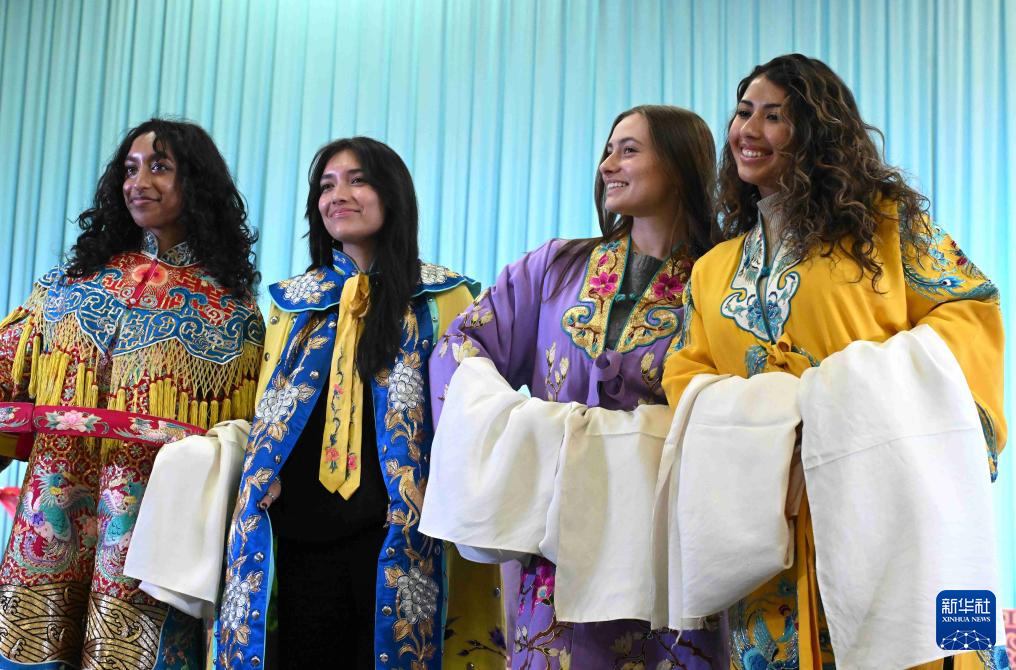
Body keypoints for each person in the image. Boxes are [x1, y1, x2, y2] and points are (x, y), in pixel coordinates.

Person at [662, 54, 1008, 670]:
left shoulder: (886, 226)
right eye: (743, 112)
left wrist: (838, 398)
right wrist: (771, 418)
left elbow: (967, 313)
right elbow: (688, 378)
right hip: (769, 527)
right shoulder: (712, 271)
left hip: (892, 509)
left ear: (817, 133)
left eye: (775, 116)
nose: (748, 130)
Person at [426, 105, 727, 668]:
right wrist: (524, 428)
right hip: (560, 545)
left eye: (629, 150)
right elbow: (460, 347)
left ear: (681, 164)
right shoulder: (556, 268)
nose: (608, 164)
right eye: (608, 151)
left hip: (667, 544)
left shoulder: (720, 276)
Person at [216, 137, 501, 670]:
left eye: (357, 180)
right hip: (299, 528)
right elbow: (267, 405)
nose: (338, 195)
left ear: (393, 194)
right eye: (326, 186)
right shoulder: (291, 303)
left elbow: (469, 413)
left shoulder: (446, 298)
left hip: (400, 528)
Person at [0, 119, 264, 668]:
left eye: (159, 167)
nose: (138, 182)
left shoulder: (232, 312)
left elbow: (245, 435)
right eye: (130, 169)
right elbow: (7, 368)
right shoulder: (68, 285)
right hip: (50, 516)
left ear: (196, 183)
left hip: (151, 531)